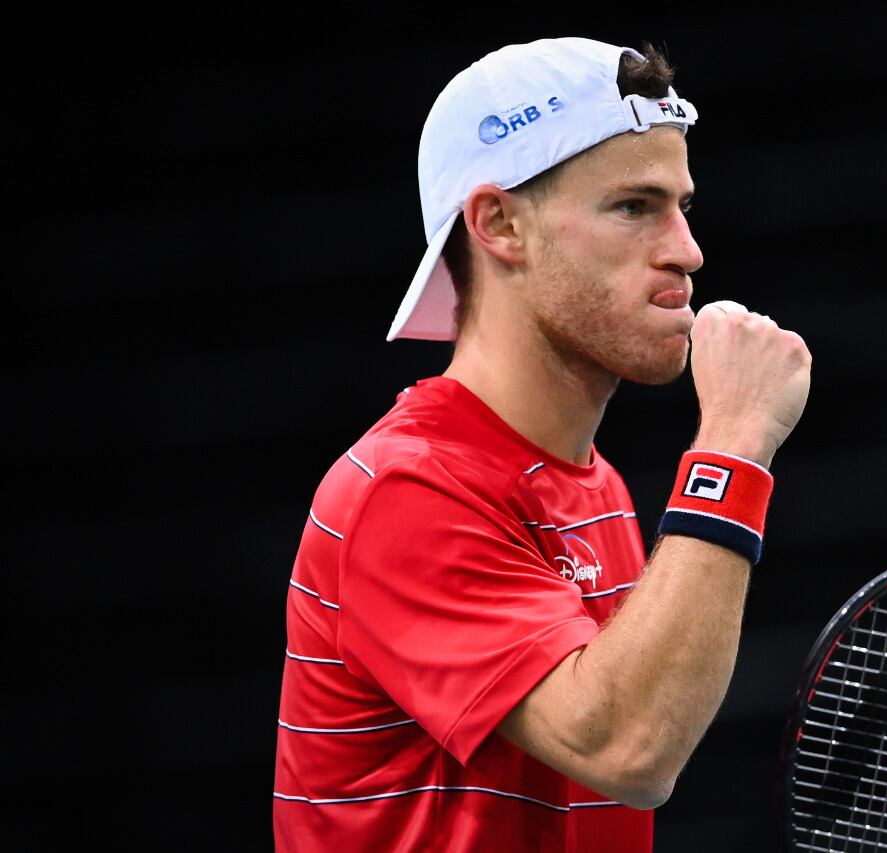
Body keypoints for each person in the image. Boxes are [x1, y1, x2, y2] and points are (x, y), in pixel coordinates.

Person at [272, 36, 811, 852]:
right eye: (634, 207)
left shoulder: (598, 489)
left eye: (682, 207)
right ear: (498, 224)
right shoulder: (406, 488)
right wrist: (734, 444)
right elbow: (627, 747)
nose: (687, 251)